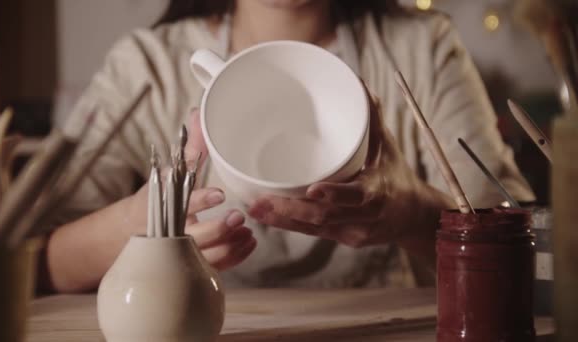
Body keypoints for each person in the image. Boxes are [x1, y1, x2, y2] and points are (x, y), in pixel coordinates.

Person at [41, 0, 534, 293]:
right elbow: (41, 261)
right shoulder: (146, 66)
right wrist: (145, 229)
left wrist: (410, 210)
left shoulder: (421, 47)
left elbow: (523, 258)